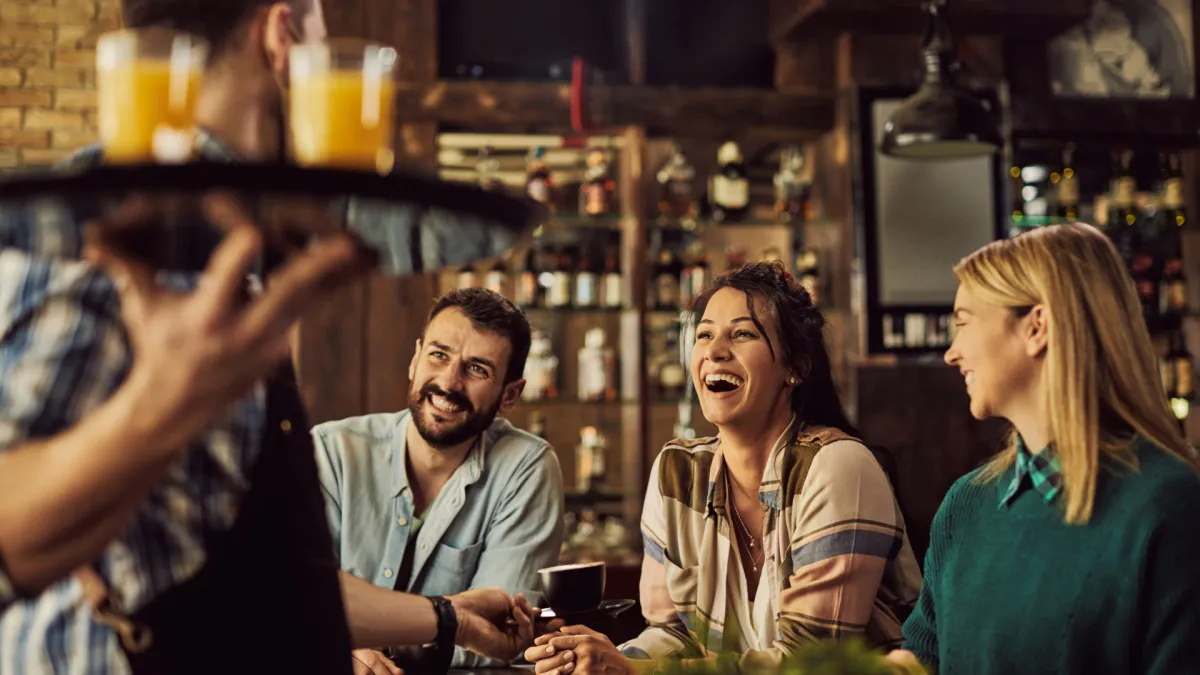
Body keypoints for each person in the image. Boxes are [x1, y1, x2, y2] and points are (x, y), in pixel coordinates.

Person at [0, 0, 537, 673]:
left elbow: (267, 581)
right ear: (283, 33)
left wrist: (449, 617)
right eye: (322, 34)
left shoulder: (230, 248)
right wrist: (161, 402)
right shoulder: (123, 235)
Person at [527, 261, 922, 674]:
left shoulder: (838, 466)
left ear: (796, 369)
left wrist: (635, 671)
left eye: (743, 333)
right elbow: (674, 635)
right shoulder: (678, 471)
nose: (714, 351)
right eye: (704, 335)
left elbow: (810, 664)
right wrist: (598, 660)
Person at [893, 223, 1200, 675]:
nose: (951, 353)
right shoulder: (966, 505)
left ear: (1037, 327)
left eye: (963, 323)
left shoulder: (1168, 506)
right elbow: (922, 661)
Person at [314, 288, 565, 672]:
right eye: (438, 355)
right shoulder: (331, 453)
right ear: (415, 359)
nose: (449, 383)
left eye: (477, 368)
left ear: (510, 395)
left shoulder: (526, 468)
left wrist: (351, 646)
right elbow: (292, 600)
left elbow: (498, 639)